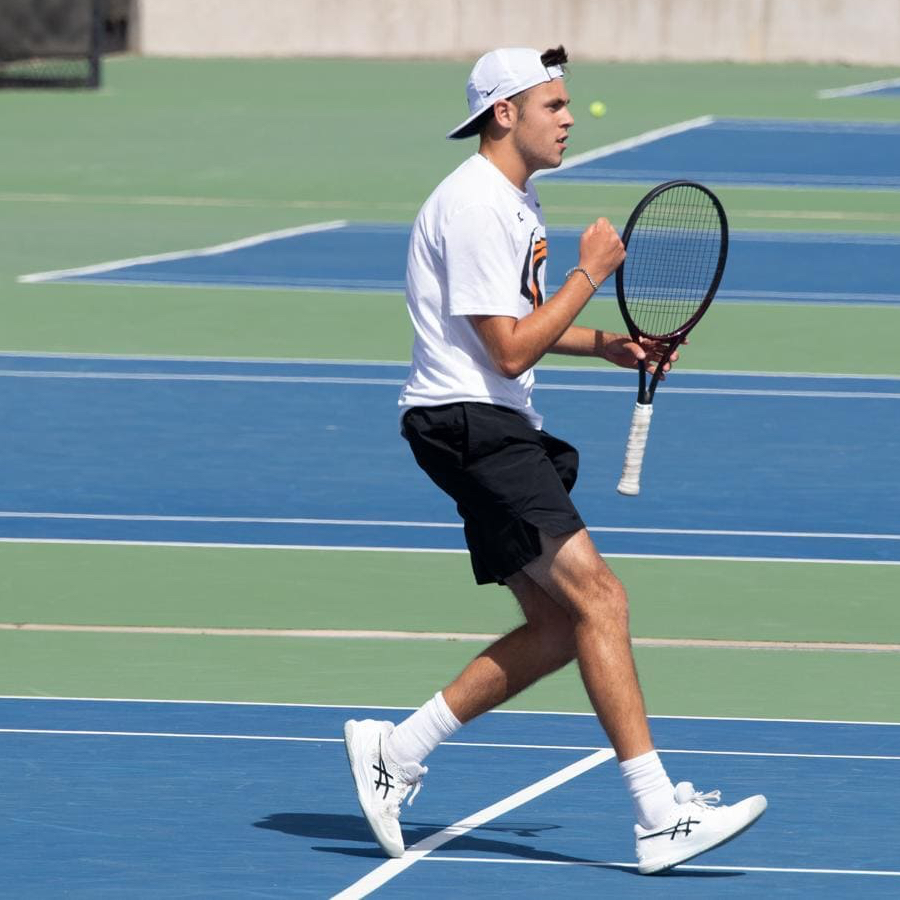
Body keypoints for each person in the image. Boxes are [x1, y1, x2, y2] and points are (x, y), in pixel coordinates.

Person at [341, 45, 766, 874]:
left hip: (485, 423)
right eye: (554, 105)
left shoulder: (516, 201)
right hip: (472, 422)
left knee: (562, 625)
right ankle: (656, 815)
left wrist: (609, 344)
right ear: (506, 114)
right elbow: (504, 352)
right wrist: (588, 273)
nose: (570, 119)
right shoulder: (474, 205)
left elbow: (519, 328)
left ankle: (397, 749)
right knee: (602, 599)